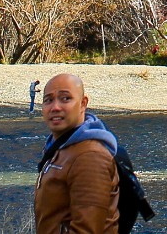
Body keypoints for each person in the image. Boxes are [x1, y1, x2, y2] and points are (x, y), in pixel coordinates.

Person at [33, 73, 119, 234]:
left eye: (65, 99)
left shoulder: (90, 157)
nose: (55, 107)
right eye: (48, 100)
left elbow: (87, 229)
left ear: (83, 104)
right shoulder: (61, 148)